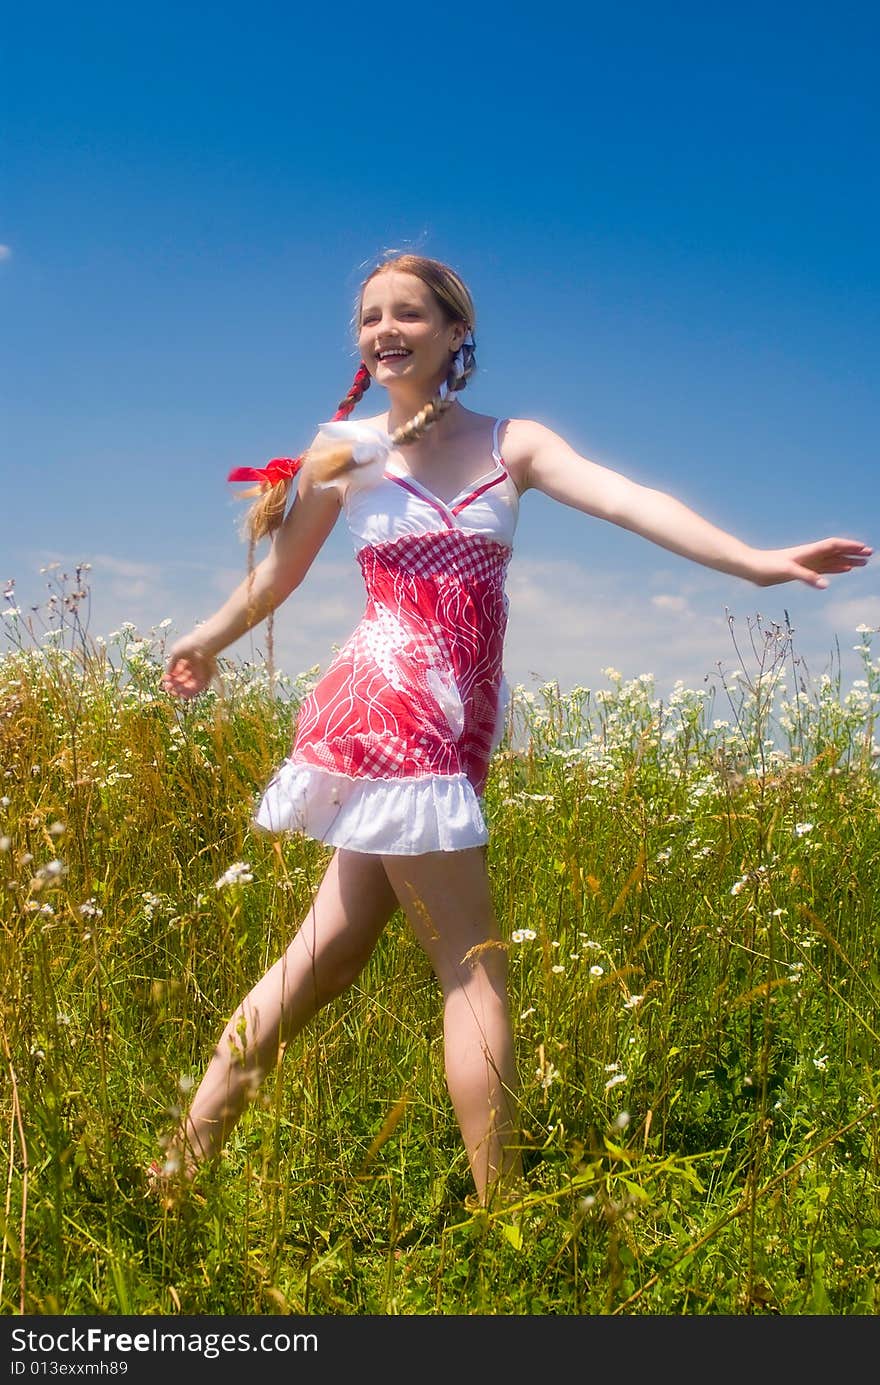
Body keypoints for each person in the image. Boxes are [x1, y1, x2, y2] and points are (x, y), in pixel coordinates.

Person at [155, 252, 871, 1209]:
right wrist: (205, 637)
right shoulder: (347, 447)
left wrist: (752, 562)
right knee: (472, 965)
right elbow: (276, 577)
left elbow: (632, 500)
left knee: (326, 956)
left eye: (410, 313)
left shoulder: (513, 443)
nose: (386, 330)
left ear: (457, 332)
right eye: (372, 317)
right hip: (394, 708)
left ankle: (178, 1170)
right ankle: (507, 1223)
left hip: (448, 726)